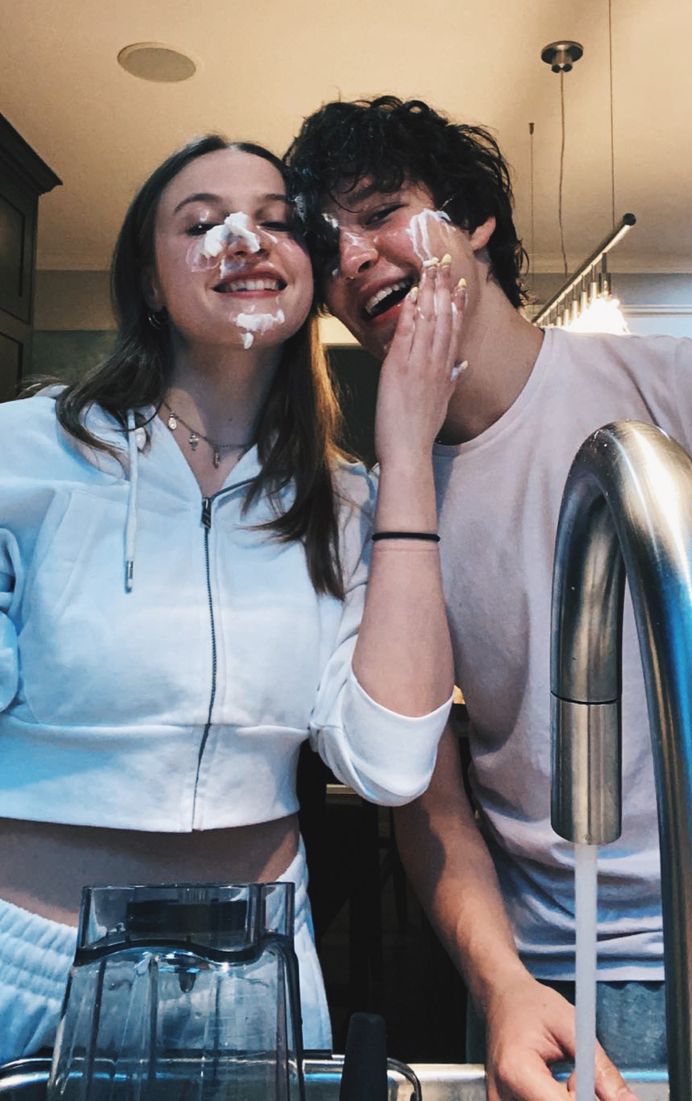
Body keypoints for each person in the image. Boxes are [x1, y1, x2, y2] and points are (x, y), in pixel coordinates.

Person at [285, 96, 692, 1100]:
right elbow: (426, 797)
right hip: (548, 971)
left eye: (381, 212)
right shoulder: (383, 505)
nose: (352, 256)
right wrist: (500, 987)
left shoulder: (684, 393)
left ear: (474, 218)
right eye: (329, 242)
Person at [0, 133, 469, 1064]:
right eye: (204, 223)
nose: (244, 239)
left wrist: (406, 451)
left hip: (262, 973)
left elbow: (388, 763)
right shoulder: (24, 453)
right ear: (148, 279)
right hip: (30, 969)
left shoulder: (342, 503)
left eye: (277, 222)